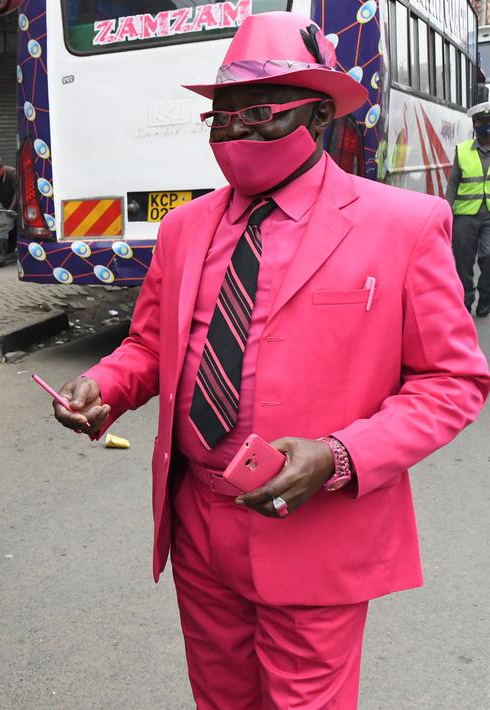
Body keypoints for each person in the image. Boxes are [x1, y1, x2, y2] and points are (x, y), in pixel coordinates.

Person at [50, 13, 490, 709]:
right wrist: (104, 383)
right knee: (220, 698)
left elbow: (452, 380)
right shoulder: (183, 228)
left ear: (317, 114)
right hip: (198, 522)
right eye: (221, 120)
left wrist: (338, 455)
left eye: (258, 115)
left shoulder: (400, 225)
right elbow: (149, 345)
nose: (234, 136)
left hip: (314, 526)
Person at [445, 101, 490, 316]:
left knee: (489, 257)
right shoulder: (462, 150)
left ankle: (486, 297)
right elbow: (453, 184)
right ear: (475, 125)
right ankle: (465, 300)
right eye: (482, 122)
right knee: (463, 260)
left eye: (489, 121)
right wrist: (445, 211)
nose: (486, 126)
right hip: (465, 215)